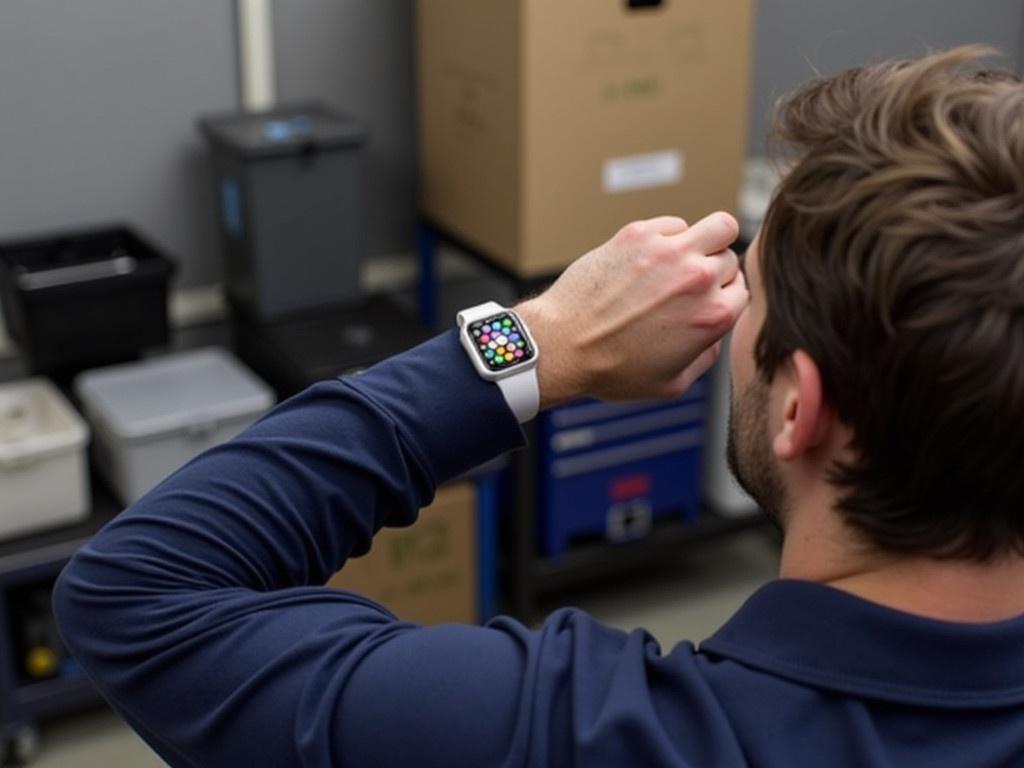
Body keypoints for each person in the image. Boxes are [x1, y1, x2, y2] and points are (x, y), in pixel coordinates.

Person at [53, 46, 1024, 767]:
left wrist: (537, 345)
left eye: (749, 297)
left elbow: (136, 594)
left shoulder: (558, 736)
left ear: (795, 409)